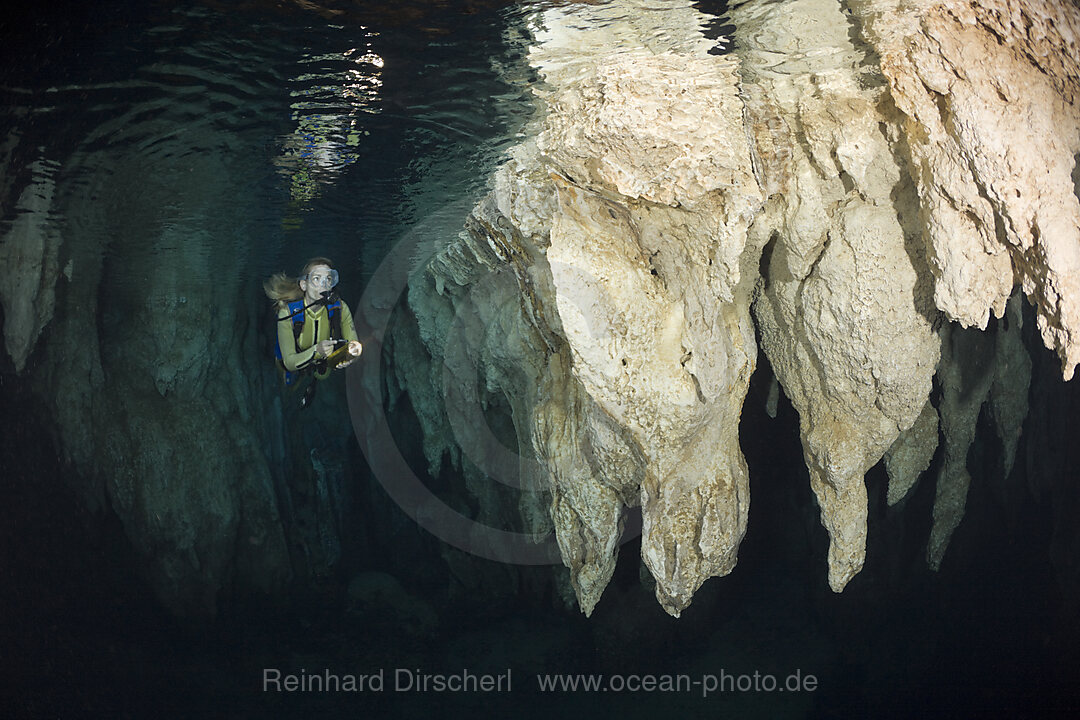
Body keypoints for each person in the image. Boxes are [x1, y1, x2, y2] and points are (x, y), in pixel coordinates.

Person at [264, 257, 362, 403]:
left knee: (322, 375)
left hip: (321, 364)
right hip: (292, 361)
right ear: (304, 285)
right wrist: (317, 351)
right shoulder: (288, 313)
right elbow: (290, 362)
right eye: (317, 278)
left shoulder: (341, 308)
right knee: (288, 382)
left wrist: (349, 356)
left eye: (329, 279)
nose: (324, 285)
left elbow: (355, 345)